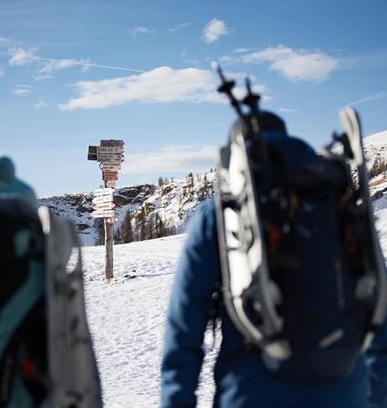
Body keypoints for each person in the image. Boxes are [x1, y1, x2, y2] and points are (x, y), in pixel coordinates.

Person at [160, 112, 387, 408]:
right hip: (346, 392)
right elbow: (379, 308)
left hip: (251, 394)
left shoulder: (221, 214)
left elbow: (183, 329)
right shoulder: (336, 201)